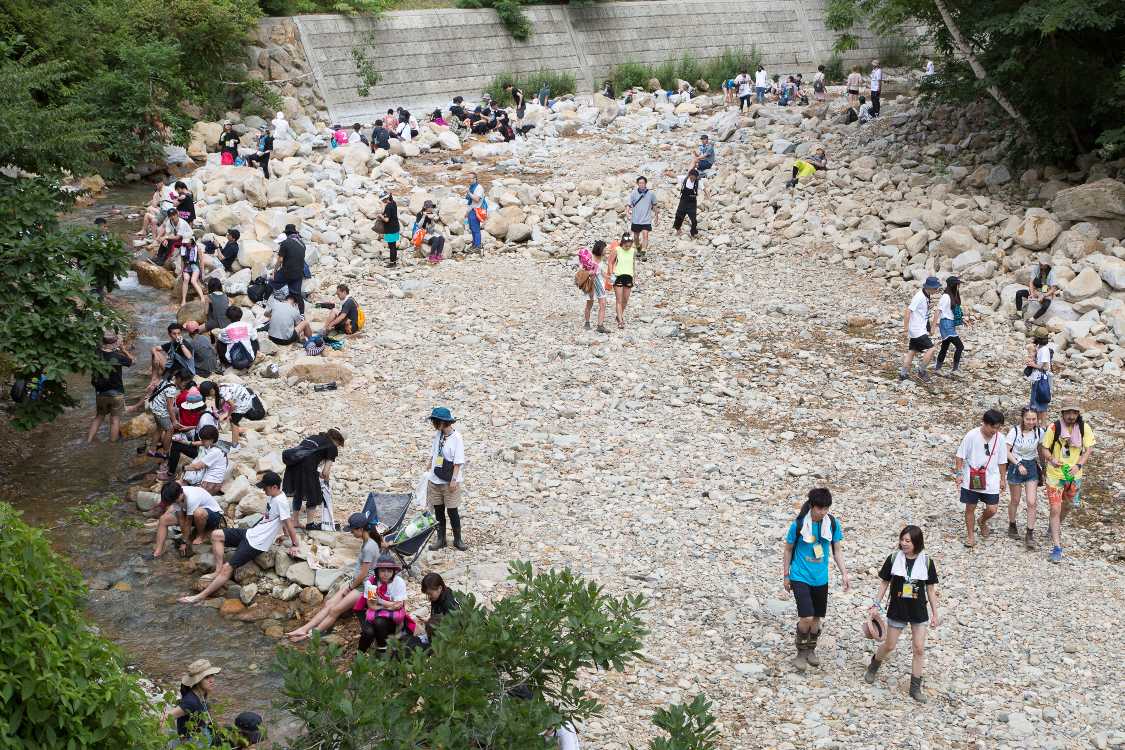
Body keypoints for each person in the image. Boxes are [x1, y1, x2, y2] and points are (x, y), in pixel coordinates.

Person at [179, 471, 299, 604]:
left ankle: (199, 596)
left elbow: (289, 522)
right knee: (216, 535)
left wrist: (294, 544)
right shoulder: (273, 496)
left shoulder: (281, 502)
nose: (263, 490)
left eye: (265, 488)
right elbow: (279, 519)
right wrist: (284, 535)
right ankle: (217, 570)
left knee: (228, 568)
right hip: (251, 533)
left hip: (256, 543)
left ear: (274, 487)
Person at [864, 526, 940, 703]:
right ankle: (874, 664)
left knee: (919, 648)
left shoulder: (927, 562)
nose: (904, 544)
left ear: (916, 543)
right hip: (898, 609)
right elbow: (884, 583)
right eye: (902, 540)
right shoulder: (893, 559)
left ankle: (915, 687)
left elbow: (930, 590)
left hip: (918, 611)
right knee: (889, 646)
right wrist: (876, 605)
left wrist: (936, 614)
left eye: (908, 541)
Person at [286, 512, 387, 642]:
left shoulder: (369, 547)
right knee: (329, 604)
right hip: (357, 583)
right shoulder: (369, 540)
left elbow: (363, 575)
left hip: (365, 588)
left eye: (352, 530)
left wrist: (349, 588)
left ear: (361, 529)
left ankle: (311, 635)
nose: (351, 533)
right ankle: (304, 629)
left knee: (335, 610)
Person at [781, 488, 851, 670]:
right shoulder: (798, 525)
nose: (823, 512)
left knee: (816, 619)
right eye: (820, 508)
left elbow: (837, 550)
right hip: (800, 575)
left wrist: (844, 573)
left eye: (826, 508)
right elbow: (788, 549)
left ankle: (811, 649)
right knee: (806, 617)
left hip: (820, 578)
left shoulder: (832, 524)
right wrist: (786, 575)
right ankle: (801, 652)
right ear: (812, 506)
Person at [1039, 405, 1095, 563]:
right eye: (1068, 413)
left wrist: (1078, 465)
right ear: (1062, 413)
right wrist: (1051, 459)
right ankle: (1057, 547)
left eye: (1074, 413)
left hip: (1074, 475)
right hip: (1055, 475)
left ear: (1078, 413)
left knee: (1069, 505)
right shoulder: (1053, 427)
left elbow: (1088, 450)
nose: (1071, 416)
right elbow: (1044, 448)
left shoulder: (1084, 428)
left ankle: (1053, 525)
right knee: (1055, 508)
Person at [955, 409, 1009, 547]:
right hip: (972, 476)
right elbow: (960, 455)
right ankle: (970, 536)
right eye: (993, 427)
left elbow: (1002, 460)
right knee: (970, 508)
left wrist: (1003, 479)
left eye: (998, 427)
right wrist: (959, 474)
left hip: (991, 478)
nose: (995, 430)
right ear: (984, 423)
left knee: (992, 509)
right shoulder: (972, 435)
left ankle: (982, 521)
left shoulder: (1000, 438)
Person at [282, 428, 345, 531]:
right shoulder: (332, 447)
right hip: (306, 468)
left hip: (293, 466)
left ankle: (295, 521)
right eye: (340, 444)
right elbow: (325, 472)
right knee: (314, 495)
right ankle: (310, 524)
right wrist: (326, 481)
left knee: (298, 491)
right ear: (338, 440)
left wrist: (316, 473)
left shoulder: (313, 438)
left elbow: (305, 455)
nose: (338, 447)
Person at [356, 553, 415, 656]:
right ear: (377, 571)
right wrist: (389, 606)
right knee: (367, 632)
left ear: (393, 571)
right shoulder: (371, 584)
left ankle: (382, 650)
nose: (386, 574)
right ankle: (359, 656)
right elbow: (371, 605)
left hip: (392, 621)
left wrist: (381, 602)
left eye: (389, 571)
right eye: (383, 570)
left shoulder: (398, 582)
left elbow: (399, 605)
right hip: (376, 616)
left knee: (379, 622)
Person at [425, 407, 467, 552]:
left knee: (452, 510)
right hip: (435, 478)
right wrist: (430, 462)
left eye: (435, 422)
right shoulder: (439, 434)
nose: (434, 425)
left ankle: (458, 539)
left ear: (442, 422)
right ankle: (441, 539)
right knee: (438, 510)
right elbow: (434, 450)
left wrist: (454, 479)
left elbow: (458, 460)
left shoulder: (457, 438)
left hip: (449, 479)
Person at [151, 480, 224, 560]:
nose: (175, 502)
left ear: (181, 493)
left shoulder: (192, 497)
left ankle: (200, 535)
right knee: (163, 519)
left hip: (214, 515)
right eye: (173, 501)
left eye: (175, 500)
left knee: (198, 513)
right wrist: (184, 539)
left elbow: (188, 522)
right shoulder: (175, 496)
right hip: (194, 516)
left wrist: (185, 541)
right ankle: (158, 551)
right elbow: (181, 519)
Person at [1005, 407, 1043, 549]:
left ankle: (1029, 533)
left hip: (1032, 466)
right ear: (1022, 418)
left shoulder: (1039, 432)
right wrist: (1018, 464)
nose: (1031, 422)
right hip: (1016, 466)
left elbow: (1043, 447)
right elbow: (1007, 451)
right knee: (1015, 499)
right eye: (1028, 419)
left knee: (1032, 502)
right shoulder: (1014, 432)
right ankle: (1012, 524)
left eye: (1034, 419)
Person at [88, 332, 134, 443]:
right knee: (115, 419)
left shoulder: (96, 354)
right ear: (116, 343)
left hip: (101, 392)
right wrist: (124, 350)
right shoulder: (117, 357)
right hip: (116, 392)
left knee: (99, 417)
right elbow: (132, 361)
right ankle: (112, 445)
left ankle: (88, 440)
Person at [199, 379, 264, 451]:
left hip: (243, 402)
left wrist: (229, 415)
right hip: (242, 393)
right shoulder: (218, 386)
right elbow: (223, 399)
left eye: (209, 394)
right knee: (232, 416)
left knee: (233, 423)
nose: (210, 395)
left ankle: (235, 445)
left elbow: (232, 406)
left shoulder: (222, 392)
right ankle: (236, 439)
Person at [163, 659, 219, 741]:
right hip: (193, 743)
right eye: (206, 678)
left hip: (201, 737)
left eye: (212, 675)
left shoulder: (202, 695)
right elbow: (166, 718)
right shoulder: (191, 701)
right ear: (198, 681)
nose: (212, 680)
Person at [899, 276, 942, 383]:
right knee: (931, 349)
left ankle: (903, 374)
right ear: (929, 287)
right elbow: (908, 311)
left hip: (918, 329)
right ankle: (921, 371)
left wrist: (929, 328)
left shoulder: (926, 295)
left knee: (912, 351)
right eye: (935, 288)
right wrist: (905, 329)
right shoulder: (919, 296)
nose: (937, 290)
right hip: (917, 329)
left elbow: (923, 314)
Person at [407, 572, 460, 651]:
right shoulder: (437, 597)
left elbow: (455, 626)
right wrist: (428, 620)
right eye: (427, 594)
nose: (429, 597)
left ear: (440, 588)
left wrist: (431, 623)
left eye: (430, 594)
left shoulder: (449, 603)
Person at [933, 275, 966, 376]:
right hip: (946, 324)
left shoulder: (952, 295)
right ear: (953, 285)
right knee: (960, 346)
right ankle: (955, 369)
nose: (958, 286)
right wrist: (933, 327)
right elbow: (938, 311)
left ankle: (938, 368)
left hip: (949, 323)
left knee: (945, 346)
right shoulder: (946, 297)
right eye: (957, 284)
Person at [578, 241, 610, 333]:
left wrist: (609, 277)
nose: (606, 251)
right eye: (605, 249)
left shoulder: (601, 258)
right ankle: (587, 322)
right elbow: (582, 270)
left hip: (600, 284)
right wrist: (590, 272)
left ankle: (600, 325)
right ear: (600, 249)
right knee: (589, 304)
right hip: (590, 284)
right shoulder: (589, 258)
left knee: (603, 304)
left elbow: (601, 272)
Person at [607, 231, 636, 330]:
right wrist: (611, 274)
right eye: (626, 246)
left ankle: (619, 315)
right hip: (618, 275)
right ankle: (620, 320)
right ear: (622, 243)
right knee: (619, 300)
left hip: (629, 276)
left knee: (625, 300)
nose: (627, 247)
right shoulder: (617, 250)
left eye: (629, 246)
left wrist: (634, 276)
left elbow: (633, 264)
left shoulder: (632, 251)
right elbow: (610, 262)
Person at [275, 224, 306, 313]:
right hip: (299, 273)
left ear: (286, 233)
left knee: (271, 282)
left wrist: (274, 271)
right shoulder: (302, 244)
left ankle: (264, 301)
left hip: (287, 272)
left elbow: (280, 260)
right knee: (296, 293)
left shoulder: (285, 243)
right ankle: (302, 313)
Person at [1026, 331, 1053, 424]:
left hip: (1042, 379)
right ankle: (1037, 424)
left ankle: (1042, 424)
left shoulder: (1044, 350)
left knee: (1041, 401)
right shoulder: (1040, 348)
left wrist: (1033, 365)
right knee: (1036, 402)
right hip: (1037, 378)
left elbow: (1046, 367)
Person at [627, 176, 657, 256]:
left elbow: (654, 205)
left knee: (645, 235)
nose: (641, 185)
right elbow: (629, 204)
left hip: (646, 219)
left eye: (643, 183)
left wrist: (656, 217)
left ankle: (643, 252)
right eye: (640, 183)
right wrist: (627, 213)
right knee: (636, 237)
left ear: (646, 183)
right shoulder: (633, 193)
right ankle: (638, 247)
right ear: (637, 184)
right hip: (636, 219)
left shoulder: (651, 194)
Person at [673, 168, 700, 239]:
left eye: (694, 178)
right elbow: (674, 176)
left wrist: (708, 196)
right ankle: (678, 230)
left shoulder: (698, 182)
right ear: (689, 175)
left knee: (693, 219)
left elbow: (704, 189)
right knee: (679, 216)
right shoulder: (684, 179)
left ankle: (693, 233)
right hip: (683, 201)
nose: (692, 179)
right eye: (691, 177)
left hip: (692, 203)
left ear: (696, 177)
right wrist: (667, 173)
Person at [178, 237, 205, 306]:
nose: (186, 243)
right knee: (186, 279)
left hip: (195, 266)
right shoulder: (182, 248)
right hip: (187, 267)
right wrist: (181, 271)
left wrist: (202, 271)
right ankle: (184, 300)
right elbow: (182, 261)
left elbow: (201, 261)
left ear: (192, 240)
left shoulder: (197, 248)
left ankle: (202, 297)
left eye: (188, 241)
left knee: (193, 281)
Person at [466, 173, 487, 251]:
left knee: (476, 229)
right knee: (472, 228)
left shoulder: (479, 187)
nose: (469, 180)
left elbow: (477, 199)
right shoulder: (471, 187)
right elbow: (471, 202)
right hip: (471, 210)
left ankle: (478, 246)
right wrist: (467, 212)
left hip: (477, 210)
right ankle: (474, 244)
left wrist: (468, 193)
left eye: (471, 178)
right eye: (468, 178)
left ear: (475, 179)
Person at [380, 190, 400, 268]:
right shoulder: (393, 203)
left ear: (385, 199)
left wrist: (380, 216)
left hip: (390, 228)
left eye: (382, 200)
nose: (382, 201)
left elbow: (386, 220)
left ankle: (392, 263)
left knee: (391, 246)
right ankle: (394, 261)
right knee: (394, 245)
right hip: (396, 226)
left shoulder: (388, 206)